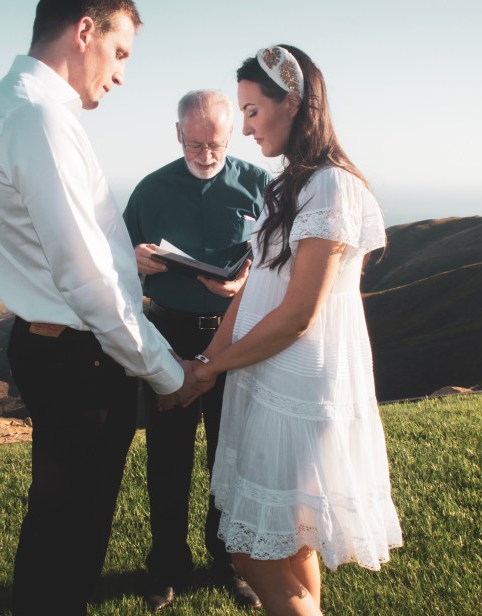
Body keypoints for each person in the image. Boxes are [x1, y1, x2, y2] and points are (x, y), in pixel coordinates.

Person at [0, 0, 198, 615]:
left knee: (58, 529)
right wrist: (164, 372)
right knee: (72, 538)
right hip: (79, 358)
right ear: (85, 31)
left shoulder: (14, 102)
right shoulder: (41, 117)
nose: (121, 75)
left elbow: (70, 250)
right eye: (120, 53)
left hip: (60, 348)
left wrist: (127, 262)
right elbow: (85, 279)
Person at [186, 45, 403, 615]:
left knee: (248, 554)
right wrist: (210, 359)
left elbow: (300, 314)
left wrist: (212, 367)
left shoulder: (331, 186)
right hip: (266, 377)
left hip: (300, 390)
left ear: (294, 103)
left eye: (253, 111)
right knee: (294, 536)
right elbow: (258, 286)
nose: (248, 128)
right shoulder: (288, 186)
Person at [122, 90, 270, 611]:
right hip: (167, 335)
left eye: (216, 143)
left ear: (230, 136)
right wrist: (133, 258)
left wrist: (243, 284)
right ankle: (165, 567)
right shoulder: (150, 189)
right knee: (167, 455)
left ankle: (227, 562)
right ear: (177, 133)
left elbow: (280, 267)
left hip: (232, 338)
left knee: (227, 456)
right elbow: (115, 259)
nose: (206, 153)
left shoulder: (259, 186)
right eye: (194, 142)